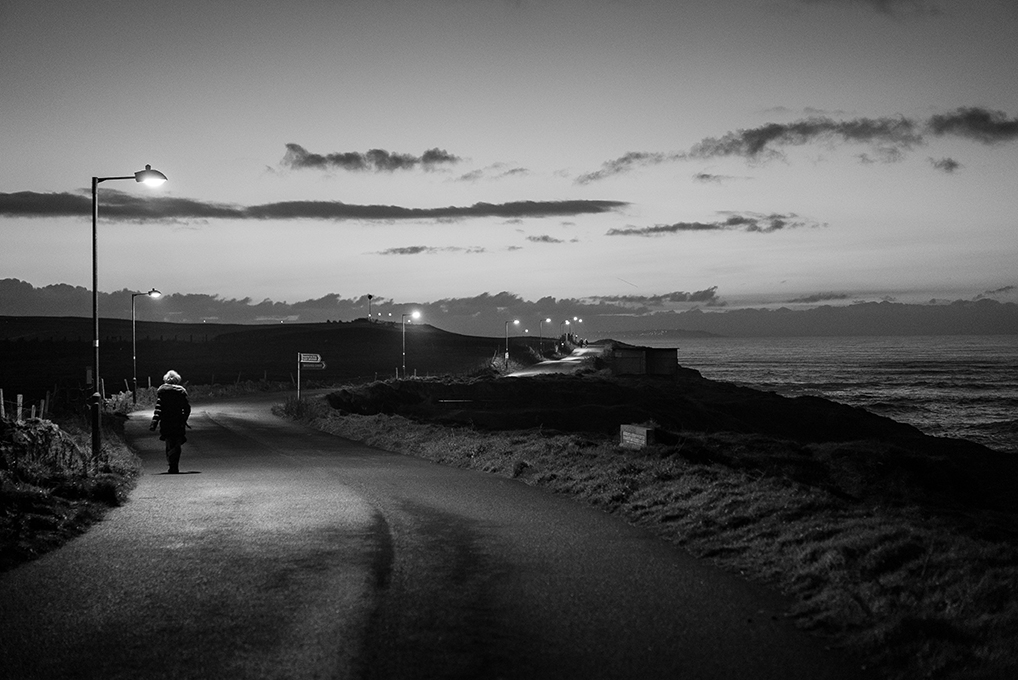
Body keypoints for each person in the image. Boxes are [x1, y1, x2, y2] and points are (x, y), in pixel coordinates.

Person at [150, 370, 191, 474]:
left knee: (169, 443)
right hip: (178, 421)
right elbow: (187, 408)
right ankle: (175, 464)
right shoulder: (181, 393)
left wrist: (154, 422)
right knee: (177, 443)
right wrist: (184, 418)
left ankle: (171, 464)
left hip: (166, 421)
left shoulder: (163, 393)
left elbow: (158, 409)